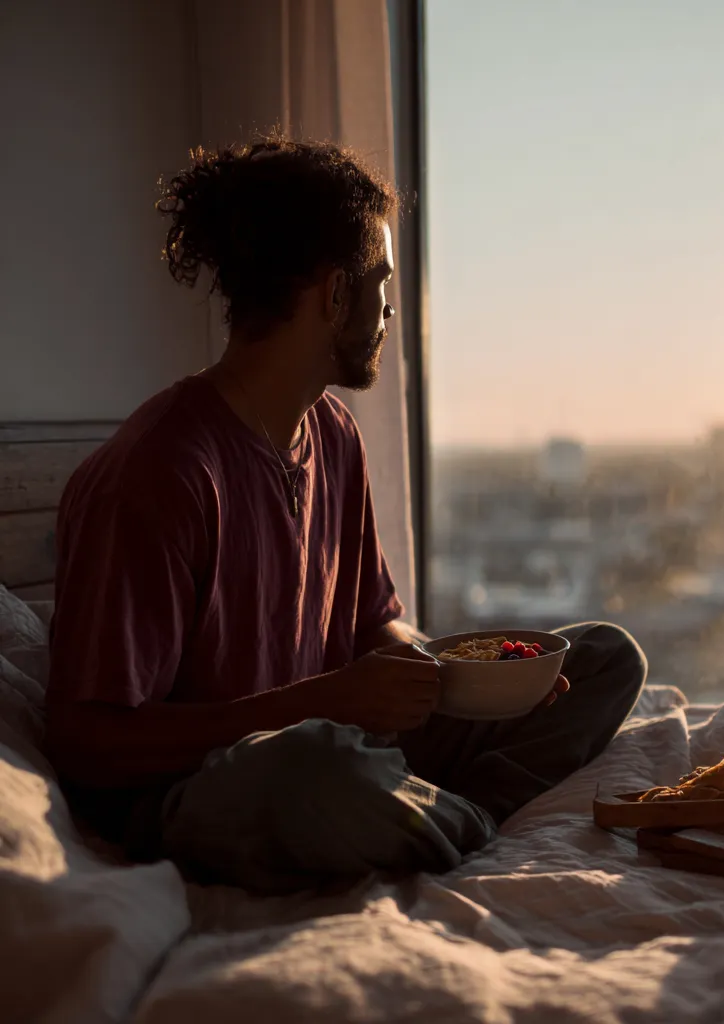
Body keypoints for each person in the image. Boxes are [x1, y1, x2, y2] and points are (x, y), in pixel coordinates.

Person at [45, 136, 647, 893]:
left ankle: (442, 816)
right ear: (334, 296)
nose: (390, 309)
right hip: (214, 788)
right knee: (317, 770)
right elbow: (87, 741)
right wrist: (321, 703)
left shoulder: (332, 434)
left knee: (602, 655)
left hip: (343, 741)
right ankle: (458, 828)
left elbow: (374, 630)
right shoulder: (159, 471)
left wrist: (464, 675)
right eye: (382, 284)